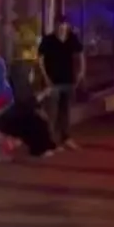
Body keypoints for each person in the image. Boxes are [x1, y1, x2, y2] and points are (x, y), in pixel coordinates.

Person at [0, 53, 57, 158]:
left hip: (19, 114)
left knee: (39, 120)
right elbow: (25, 103)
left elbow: (29, 101)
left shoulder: (23, 84)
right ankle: (39, 149)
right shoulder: (14, 85)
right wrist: (43, 95)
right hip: (10, 118)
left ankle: (46, 146)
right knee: (35, 123)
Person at [38, 14, 85, 150]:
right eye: (59, 25)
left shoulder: (72, 39)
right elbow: (40, 58)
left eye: (65, 25)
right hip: (53, 82)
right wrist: (45, 77)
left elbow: (80, 55)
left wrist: (81, 72)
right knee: (52, 112)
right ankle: (50, 140)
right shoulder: (48, 40)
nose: (62, 28)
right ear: (55, 26)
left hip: (68, 80)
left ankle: (65, 137)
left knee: (65, 111)